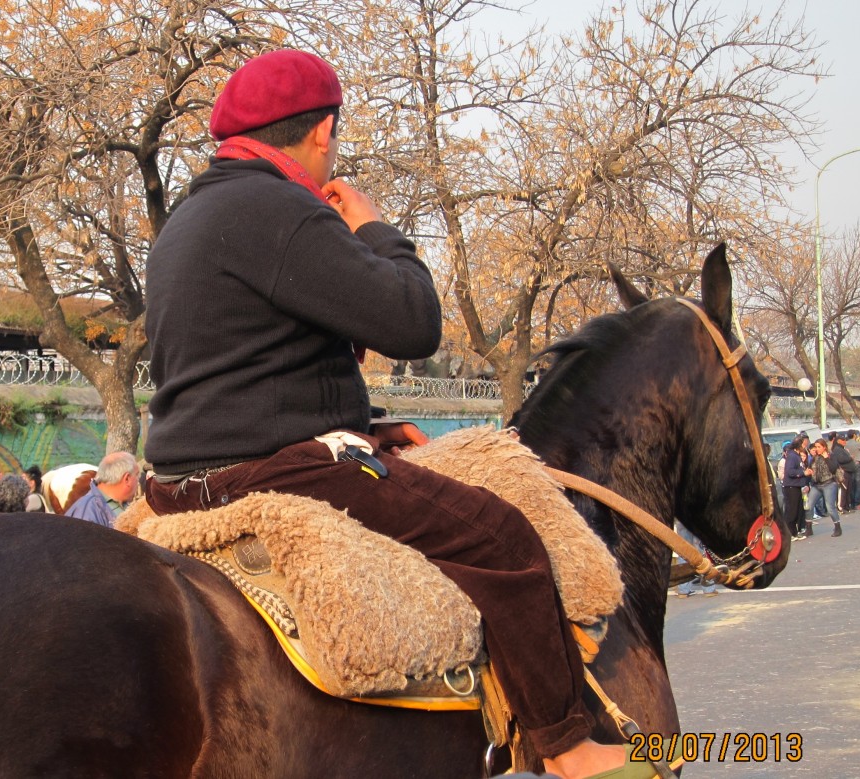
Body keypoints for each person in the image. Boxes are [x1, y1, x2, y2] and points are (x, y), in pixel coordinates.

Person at [142, 49, 647, 779]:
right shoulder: (284, 208)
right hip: (272, 470)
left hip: (182, 475)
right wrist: (375, 230)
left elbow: (243, 369)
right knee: (504, 539)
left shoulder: (186, 220)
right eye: (333, 137)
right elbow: (412, 322)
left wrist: (366, 428)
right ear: (322, 131)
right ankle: (569, 744)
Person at [65, 452, 140, 528]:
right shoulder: (86, 512)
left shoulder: (127, 505)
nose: (138, 481)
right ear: (127, 479)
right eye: (137, 475)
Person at [806, 438, 842, 538]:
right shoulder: (814, 457)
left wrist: (826, 458)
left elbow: (833, 468)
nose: (817, 449)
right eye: (815, 447)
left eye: (819, 447)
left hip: (829, 484)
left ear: (824, 447)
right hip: (816, 485)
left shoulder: (831, 455)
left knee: (830, 507)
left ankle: (837, 527)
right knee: (808, 505)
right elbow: (810, 469)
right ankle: (809, 528)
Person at [674, 520, 718, 597]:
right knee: (702, 553)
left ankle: (683, 590)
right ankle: (709, 589)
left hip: (681, 518)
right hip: (697, 518)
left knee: (683, 552)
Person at [781, 434, 811, 539]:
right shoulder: (792, 456)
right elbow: (790, 471)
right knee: (791, 511)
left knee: (797, 510)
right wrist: (803, 473)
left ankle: (794, 532)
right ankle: (788, 533)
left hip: (798, 486)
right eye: (804, 444)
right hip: (791, 486)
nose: (805, 446)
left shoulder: (798, 456)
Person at [831, 433, 857, 514]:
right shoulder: (837, 449)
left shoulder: (843, 449)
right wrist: (850, 458)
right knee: (843, 490)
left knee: (848, 490)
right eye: (843, 440)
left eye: (845, 440)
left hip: (848, 472)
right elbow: (841, 459)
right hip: (843, 472)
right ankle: (841, 507)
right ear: (838, 441)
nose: (845, 441)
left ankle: (846, 506)